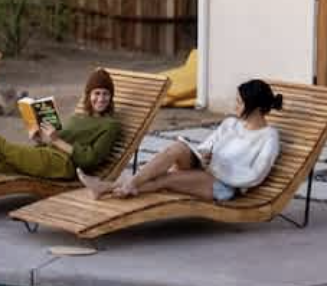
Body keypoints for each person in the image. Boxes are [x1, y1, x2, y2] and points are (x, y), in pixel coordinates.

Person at [79, 78, 283, 202]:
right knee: (177, 147)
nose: (235, 105)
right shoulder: (230, 124)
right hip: (207, 168)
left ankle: (107, 188)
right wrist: (204, 156)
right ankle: (127, 184)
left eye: (240, 102)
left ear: (256, 108)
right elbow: (207, 146)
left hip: (226, 184)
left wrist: (219, 165)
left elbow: (256, 175)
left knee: (165, 180)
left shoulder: (268, 137)